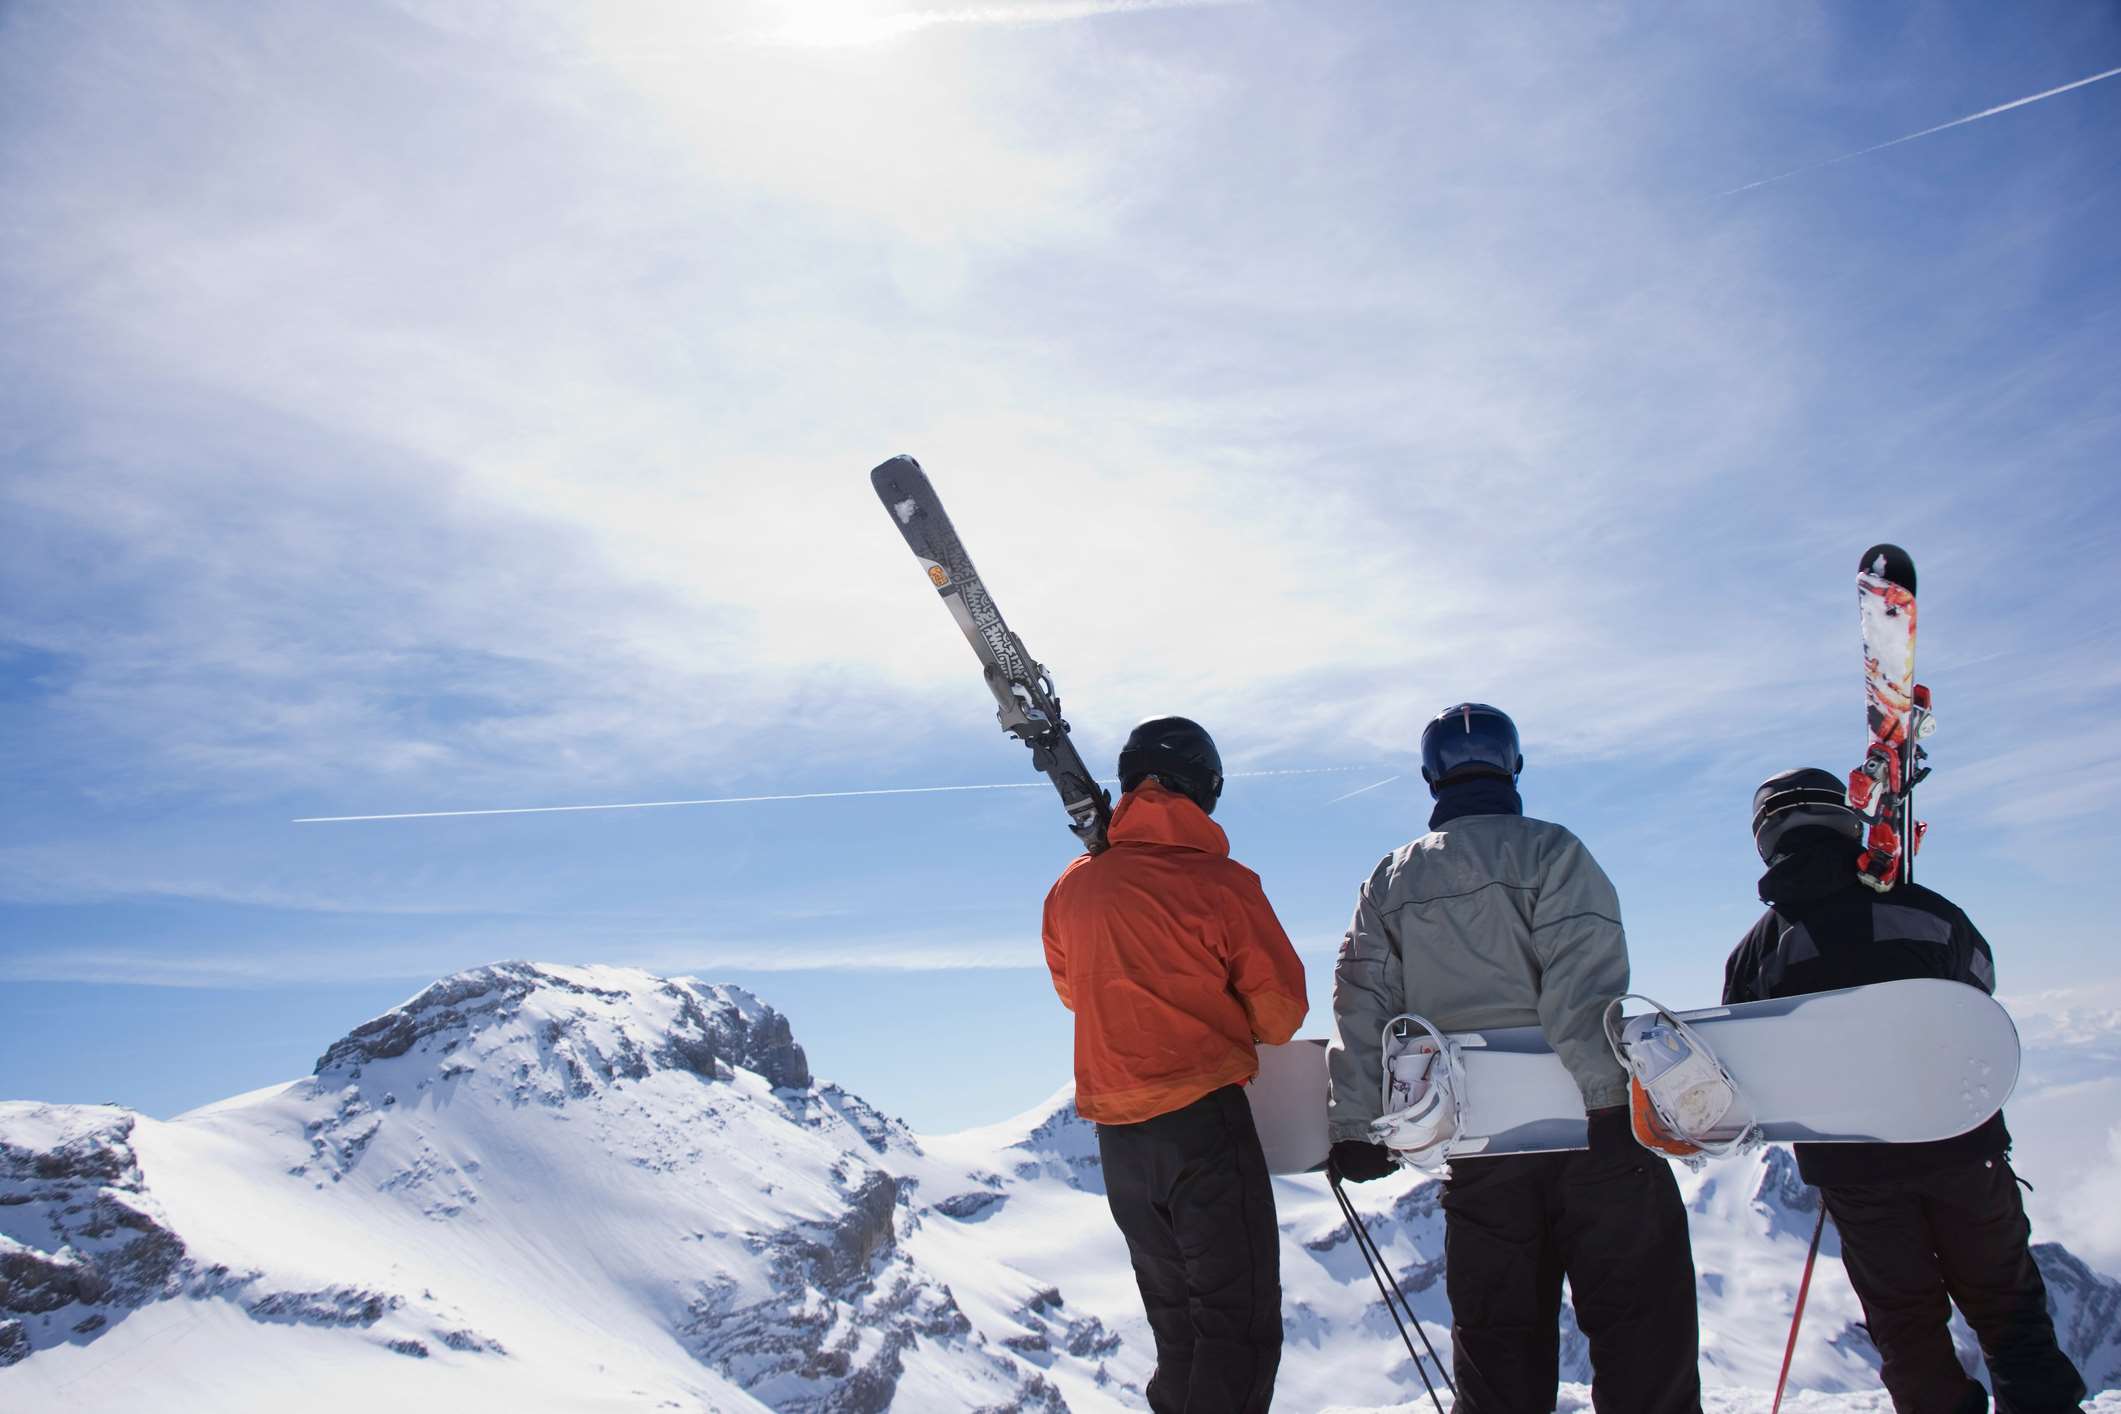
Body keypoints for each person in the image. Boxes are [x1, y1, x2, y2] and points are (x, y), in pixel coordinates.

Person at [1326, 703, 1701, 1414]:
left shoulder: (1390, 880)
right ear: (1513, 766)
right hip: (1596, 1139)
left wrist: (1353, 1125)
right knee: (1640, 1331)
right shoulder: (1553, 852)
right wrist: (1604, 1103)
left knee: (1499, 1346)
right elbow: (1581, 987)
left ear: (1429, 778)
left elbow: (1362, 1005)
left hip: (1481, 1147)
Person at [1726, 768, 2086, 1414]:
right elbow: (1980, 987)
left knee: (1907, 1330)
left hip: (1854, 1170)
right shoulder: (1924, 910)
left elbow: (1749, 1064)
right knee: (2009, 1314)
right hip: (1961, 1145)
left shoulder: (1755, 956)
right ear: (1846, 818)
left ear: (1766, 838)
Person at [1043, 715, 1309, 1413]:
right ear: (1205, 790)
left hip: (1119, 1140)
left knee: (1178, 1331)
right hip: (1202, 1125)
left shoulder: (1074, 887)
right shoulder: (1223, 885)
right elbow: (1281, 1013)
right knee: (1237, 1328)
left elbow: (1075, 993)